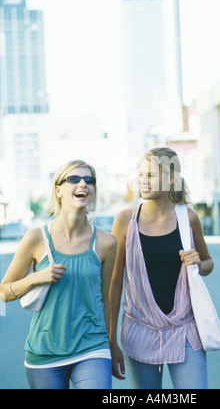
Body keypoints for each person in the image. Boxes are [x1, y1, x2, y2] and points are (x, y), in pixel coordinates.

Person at [0, 160, 116, 389]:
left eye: (89, 180)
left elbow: (106, 298)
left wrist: (112, 343)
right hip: (44, 353)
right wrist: (35, 277)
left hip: (92, 347)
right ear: (58, 190)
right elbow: (4, 291)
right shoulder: (35, 238)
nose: (83, 183)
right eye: (74, 179)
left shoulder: (106, 242)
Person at [109, 147, 214, 389]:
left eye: (151, 175)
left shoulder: (188, 218)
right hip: (139, 328)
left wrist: (198, 261)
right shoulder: (125, 220)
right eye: (140, 174)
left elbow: (208, 263)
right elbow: (114, 283)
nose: (142, 181)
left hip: (185, 329)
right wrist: (111, 339)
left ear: (171, 178)